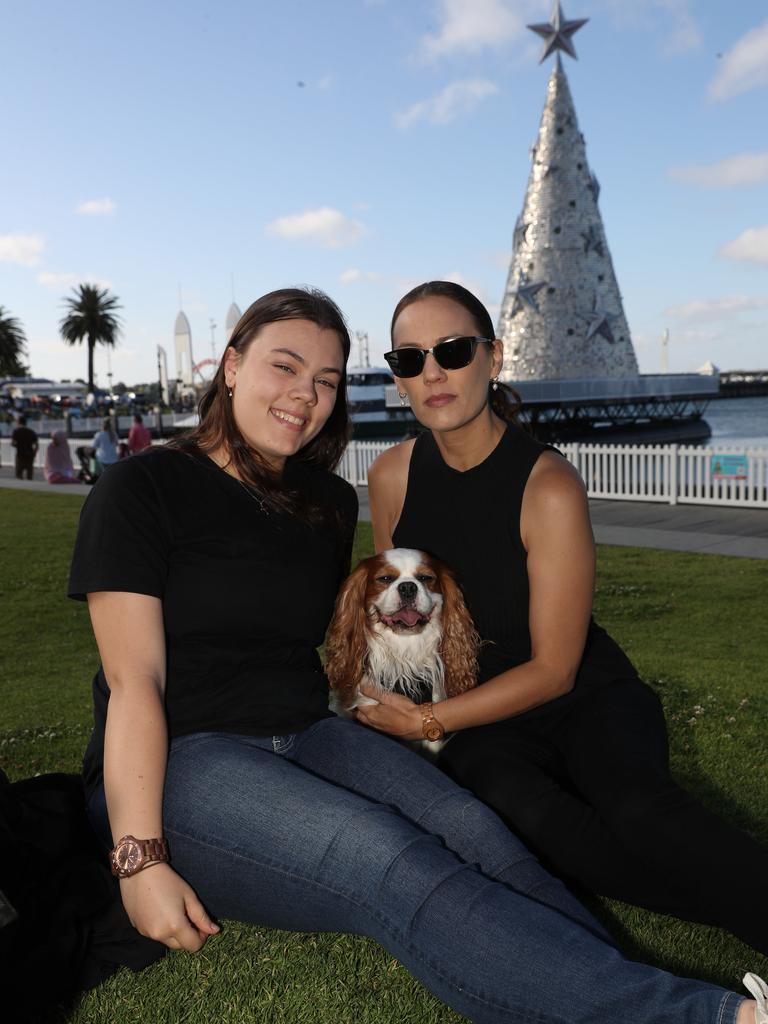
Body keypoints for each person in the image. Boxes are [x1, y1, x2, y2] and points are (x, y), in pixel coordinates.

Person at [68, 287, 764, 1024]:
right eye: (285, 366)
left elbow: (360, 635)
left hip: (310, 731)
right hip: (187, 757)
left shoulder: (324, 504)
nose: (306, 394)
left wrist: (396, 707)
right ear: (231, 367)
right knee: (388, 858)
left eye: (327, 381)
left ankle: (593, 989)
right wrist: (139, 856)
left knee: (478, 835)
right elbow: (132, 680)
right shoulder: (142, 486)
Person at [365, 280, 768, 960]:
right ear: (398, 380)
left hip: (581, 695)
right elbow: (400, 610)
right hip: (480, 717)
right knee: (542, 826)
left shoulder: (546, 484)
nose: (431, 372)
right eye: (409, 359)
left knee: (640, 812)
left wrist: (429, 723)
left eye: (452, 351)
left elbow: (556, 669)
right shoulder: (391, 476)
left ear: (492, 358)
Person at [11, 414, 39, 480]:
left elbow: (12, 443)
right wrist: (34, 453)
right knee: (29, 475)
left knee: (19, 475)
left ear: (18, 422)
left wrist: (18, 445)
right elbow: (36, 444)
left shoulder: (16, 431)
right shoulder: (31, 432)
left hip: (20, 455)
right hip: (30, 454)